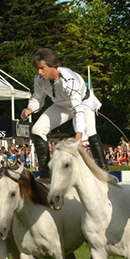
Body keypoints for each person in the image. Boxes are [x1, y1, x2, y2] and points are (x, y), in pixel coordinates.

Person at [21, 48, 107, 179]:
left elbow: (78, 109)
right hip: (61, 105)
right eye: (37, 69)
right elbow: (37, 99)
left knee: (90, 132)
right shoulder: (39, 80)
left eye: (42, 68)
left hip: (83, 103)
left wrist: (78, 136)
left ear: (52, 65)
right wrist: (30, 109)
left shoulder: (70, 80)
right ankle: (45, 175)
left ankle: (104, 173)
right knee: (37, 130)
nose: (39, 72)